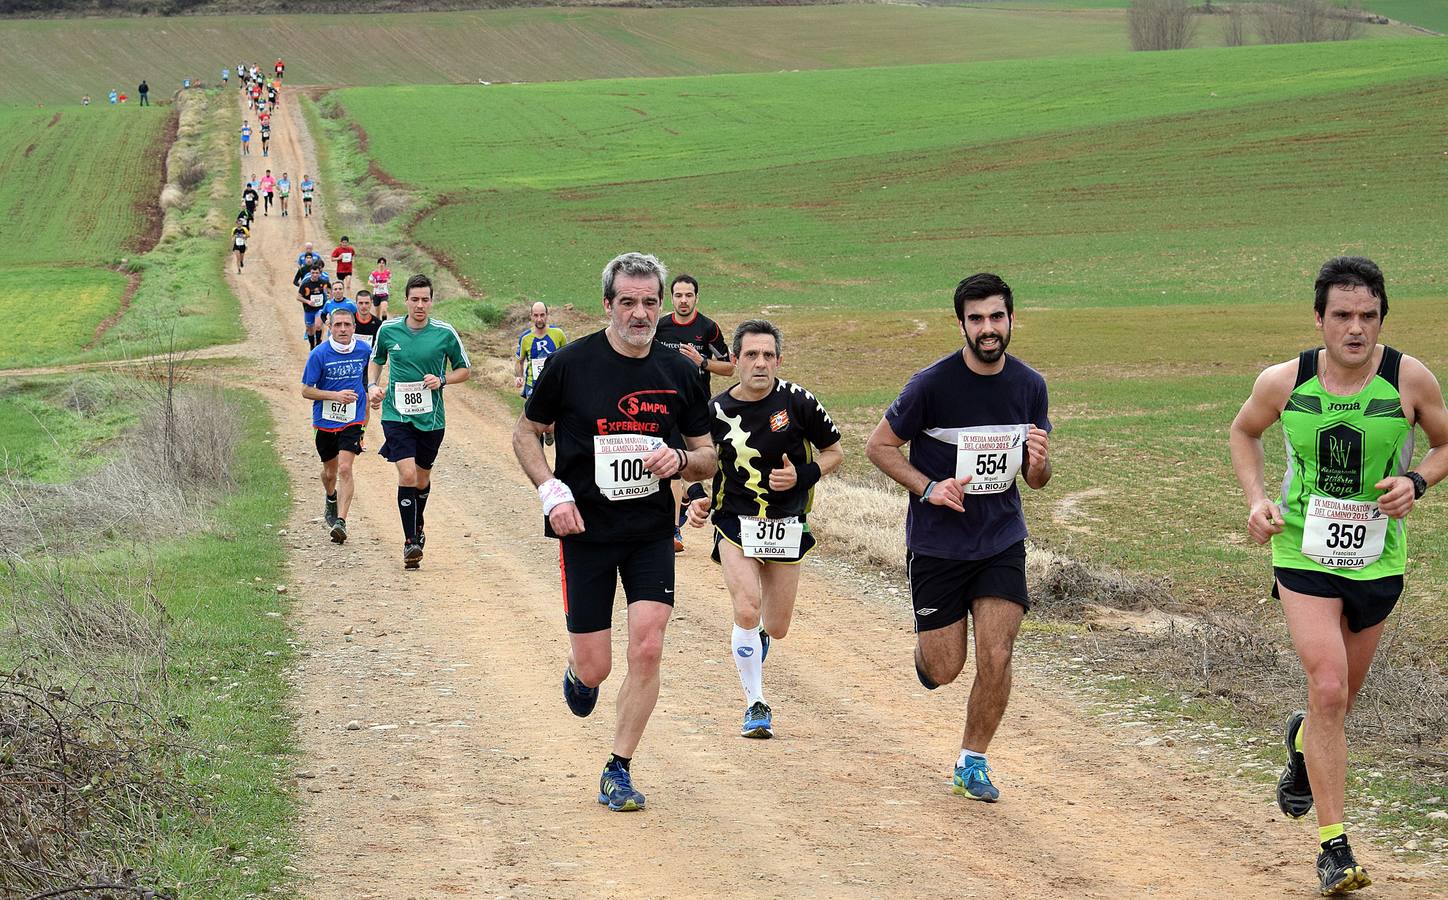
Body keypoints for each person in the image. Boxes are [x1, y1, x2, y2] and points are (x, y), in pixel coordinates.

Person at [1228, 256, 1446, 896]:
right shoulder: (1284, 381)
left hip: (1378, 559)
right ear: (1319, 319)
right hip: (1302, 553)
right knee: (1326, 688)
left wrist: (1415, 482)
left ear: (1382, 318)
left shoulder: (1409, 378)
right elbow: (1244, 433)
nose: (1356, 329)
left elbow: (1444, 445)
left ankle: (1301, 740)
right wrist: (1255, 500)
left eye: (1369, 316)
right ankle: (1334, 849)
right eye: (1343, 316)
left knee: (1337, 702)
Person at [512, 252, 715, 813]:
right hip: (585, 533)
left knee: (648, 646)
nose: (641, 312)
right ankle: (580, 675)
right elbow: (525, 434)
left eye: (650, 301)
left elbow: (708, 456)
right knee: (597, 666)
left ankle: (618, 768)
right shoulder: (573, 364)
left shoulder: (679, 372)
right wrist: (552, 493)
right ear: (608, 304)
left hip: (651, 532)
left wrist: (680, 459)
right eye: (628, 301)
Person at [865, 272, 1051, 804]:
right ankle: (928, 659)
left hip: (1000, 539)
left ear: (1012, 319)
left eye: (996, 317)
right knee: (947, 668)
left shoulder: (1029, 386)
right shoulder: (931, 385)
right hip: (938, 544)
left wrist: (1039, 465)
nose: (987, 328)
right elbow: (879, 447)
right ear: (961, 324)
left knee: (997, 654)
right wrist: (929, 489)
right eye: (976, 319)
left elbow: (1035, 480)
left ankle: (972, 761)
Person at [684, 320, 842, 739]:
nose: (760, 363)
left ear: (779, 360)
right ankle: (756, 703)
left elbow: (834, 452)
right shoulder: (715, 411)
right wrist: (697, 497)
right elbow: (698, 462)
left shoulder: (798, 401)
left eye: (768, 355)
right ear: (734, 360)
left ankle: (756, 643)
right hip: (735, 521)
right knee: (747, 608)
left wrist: (803, 476)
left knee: (777, 625)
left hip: (786, 523)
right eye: (751, 355)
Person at [366, 274, 472, 569]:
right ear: (406, 300)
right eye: (415, 299)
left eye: (425, 299)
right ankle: (410, 541)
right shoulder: (388, 330)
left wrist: (442, 380)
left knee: (422, 479)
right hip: (396, 414)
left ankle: (418, 524)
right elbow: (376, 361)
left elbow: (465, 370)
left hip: (432, 418)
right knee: (408, 475)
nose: (420, 305)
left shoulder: (445, 333)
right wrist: (372, 386)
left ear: (432, 301)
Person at [302, 302, 370, 545]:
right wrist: (334, 395)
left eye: (347, 325)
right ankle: (330, 496)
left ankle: (341, 521)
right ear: (330, 327)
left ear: (354, 327)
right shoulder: (318, 354)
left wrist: (371, 399)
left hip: (353, 419)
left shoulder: (364, 351)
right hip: (325, 421)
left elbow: (367, 382)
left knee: (344, 469)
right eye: (338, 325)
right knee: (330, 473)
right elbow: (306, 391)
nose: (343, 329)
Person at [297, 263, 331, 349]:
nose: (315, 275)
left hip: (320, 308)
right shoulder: (305, 284)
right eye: (313, 273)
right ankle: (312, 346)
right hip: (308, 310)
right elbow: (298, 297)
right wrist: (307, 301)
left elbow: (331, 290)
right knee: (310, 330)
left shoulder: (324, 282)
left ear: (320, 273)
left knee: (318, 326)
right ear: (310, 273)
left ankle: (318, 344)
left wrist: (329, 297)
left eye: (316, 273)